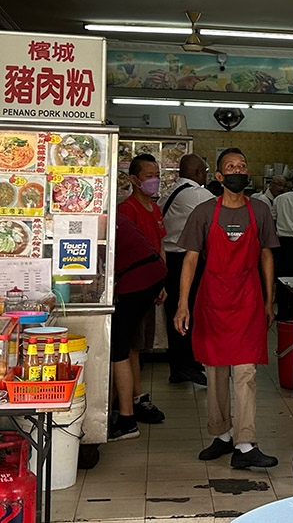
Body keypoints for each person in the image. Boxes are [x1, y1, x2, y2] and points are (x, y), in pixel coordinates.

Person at [174, 147, 280, 469]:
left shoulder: (260, 211)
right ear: (219, 177)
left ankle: (245, 443)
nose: (237, 170)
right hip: (212, 299)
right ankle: (222, 435)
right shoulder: (204, 213)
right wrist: (183, 304)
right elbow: (190, 260)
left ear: (248, 174)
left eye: (242, 166)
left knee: (245, 373)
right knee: (216, 371)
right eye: (230, 167)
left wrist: (268, 298)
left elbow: (266, 256)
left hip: (247, 298)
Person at [116, 154, 166, 425]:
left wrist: (162, 283)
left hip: (151, 283)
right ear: (134, 180)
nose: (154, 180)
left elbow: (160, 246)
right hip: (133, 285)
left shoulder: (154, 208)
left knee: (139, 344)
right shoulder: (128, 209)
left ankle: (135, 398)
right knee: (131, 346)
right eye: (149, 176)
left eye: (156, 174)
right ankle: (135, 398)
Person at [109, 213, 167, 440]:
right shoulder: (119, 216)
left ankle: (127, 420)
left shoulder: (105, 219)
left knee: (118, 349)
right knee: (125, 344)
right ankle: (119, 407)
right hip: (152, 272)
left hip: (138, 279)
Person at [159, 153, 212, 386]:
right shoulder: (198, 194)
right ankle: (186, 366)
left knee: (176, 312)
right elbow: (224, 211)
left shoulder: (171, 191)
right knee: (187, 311)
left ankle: (180, 365)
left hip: (168, 258)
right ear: (199, 173)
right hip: (185, 260)